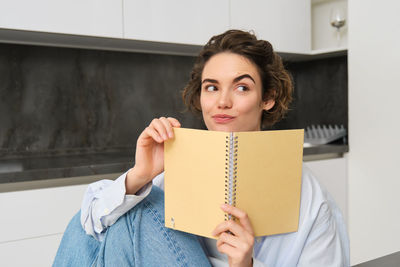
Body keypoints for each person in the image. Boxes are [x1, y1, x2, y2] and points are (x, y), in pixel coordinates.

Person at [53, 30, 350, 267]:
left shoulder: (311, 199)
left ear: (268, 98)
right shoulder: (175, 170)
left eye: (242, 87)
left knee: (140, 208)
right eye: (211, 87)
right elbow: (91, 225)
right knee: (110, 217)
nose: (223, 102)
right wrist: (140, 176)